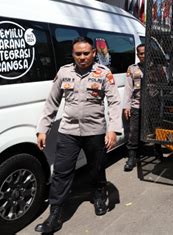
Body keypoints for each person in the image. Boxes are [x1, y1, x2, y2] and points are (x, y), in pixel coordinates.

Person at [34, 36, 121, 233]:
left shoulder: (103, 73)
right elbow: (52, 102)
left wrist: (113, 129)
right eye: (78, 54)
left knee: (96, 168)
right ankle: (55, 214)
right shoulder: (64, 72)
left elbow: (114, 102)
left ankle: (99, 194)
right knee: (61, 172)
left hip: (95, 131)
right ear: (73, 54)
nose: (82, 57)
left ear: (93, 53)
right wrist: (43, 128)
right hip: (69, 131)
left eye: (86, 53)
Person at [122, 44, 145, 171]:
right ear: (138, 55)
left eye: (145, 53)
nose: (143, 56)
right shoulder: (132, 69)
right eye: (141, 53)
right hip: (136, 104)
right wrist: (126, 106)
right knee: (133, 132)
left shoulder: (157, 67)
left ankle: (157, 152)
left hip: (151, 106)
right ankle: (132, 158)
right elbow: (128, 89)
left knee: (153, 130)